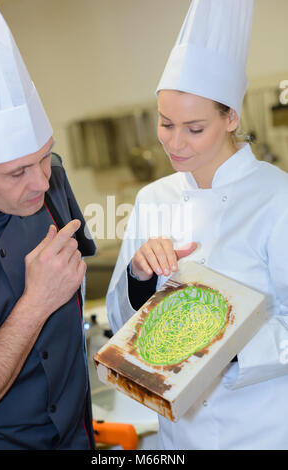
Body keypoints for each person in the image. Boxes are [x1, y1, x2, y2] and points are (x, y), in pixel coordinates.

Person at [107, 0, 288, 450]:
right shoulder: (153, 199)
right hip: (178, 436)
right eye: (165, 124)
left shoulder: (277, 197)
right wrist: (138, 278)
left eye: (194, 128)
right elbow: (121, 323)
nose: (175, 143)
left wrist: (219, 343)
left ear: (231, 118)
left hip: (263, 429)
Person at [0, 2, 96, 449]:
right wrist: (37, 302)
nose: (41, 182)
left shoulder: (51, 180)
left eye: (44, 156)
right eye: (17, 172)